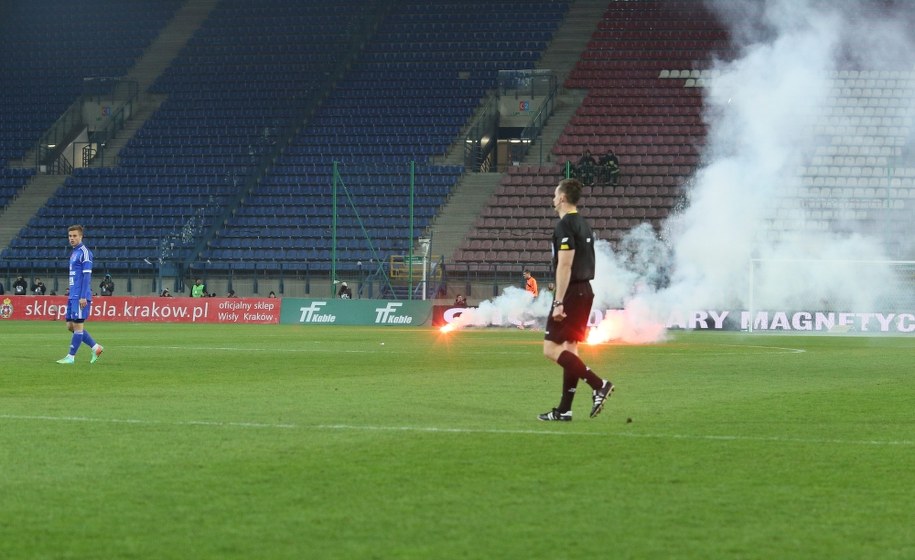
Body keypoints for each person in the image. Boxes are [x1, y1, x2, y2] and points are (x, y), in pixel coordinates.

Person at [538, 178, 614, 421]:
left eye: (554, 194)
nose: (552, 198)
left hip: (571, 293)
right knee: (570, 349)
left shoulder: (564, 227)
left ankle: (598, 383)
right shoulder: (584, 224)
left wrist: (558, 301)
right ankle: (564, 410)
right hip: (585, 291)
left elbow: (565, 265)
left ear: (561, 198)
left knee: (550, 349)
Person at [57, 225, 104, 365]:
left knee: (77, 327)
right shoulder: (74, 253)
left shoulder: (85, 252)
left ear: (81, 236)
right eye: (70, 236)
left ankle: (71, 357)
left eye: (74, 236)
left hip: (80, 296)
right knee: (70, 326)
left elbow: (86, 277)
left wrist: (83, 296)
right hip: (72, 295)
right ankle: (96, 347)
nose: (72, 238)